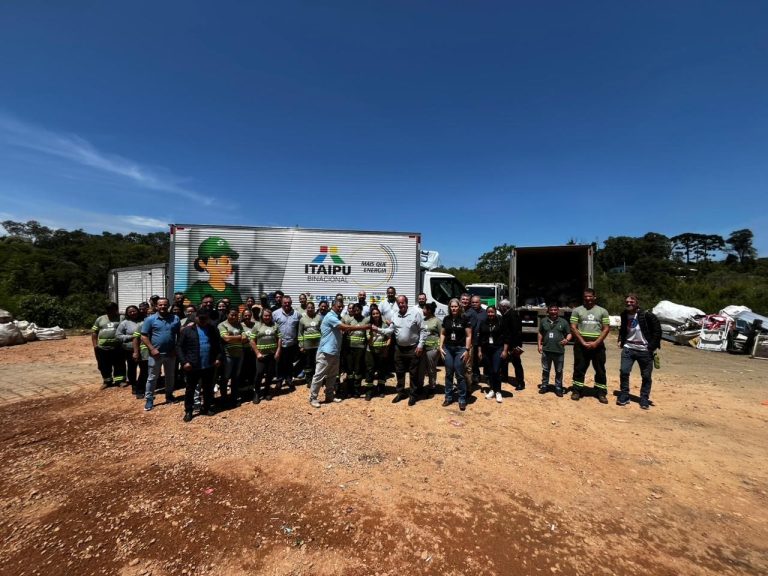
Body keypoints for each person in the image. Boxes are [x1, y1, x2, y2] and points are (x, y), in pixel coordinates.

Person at [308, 299, 371, 408]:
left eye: (342, 307)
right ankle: (313, 398)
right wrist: (364, 327)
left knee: (332, 376)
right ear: (333, 306)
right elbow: (344, 327)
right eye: (338, 306)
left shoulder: (336, 317)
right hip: (325, 352)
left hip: (335, 351)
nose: (340, 308)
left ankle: (329, 396)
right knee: (319, 375)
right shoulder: (330, 317)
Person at [376, 295, 428, 407]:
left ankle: (413, 395)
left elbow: (423, 330)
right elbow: (390, 330)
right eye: (399, 303)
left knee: (413, 373)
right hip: (399, 349)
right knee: (399, 372)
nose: (401, 305)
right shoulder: (396, 315)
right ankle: (401, 392)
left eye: (403, 303)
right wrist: (378, 330)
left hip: (413, 348)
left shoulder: (415, 314)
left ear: (406, 303)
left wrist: (420, 345)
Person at [177, 309, 224, 422]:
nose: (202, 320)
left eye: (205, 318)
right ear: (196, 318)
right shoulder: (187, 330)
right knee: (190, 390)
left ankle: (206, 407)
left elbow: (219, 345)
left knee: (208, 389)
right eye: (200, 318)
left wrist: (218, 358)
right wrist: (184, 362)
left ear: (208, 318)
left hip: (209, 365)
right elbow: (179, 347)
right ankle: (189, 410)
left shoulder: (213, 330)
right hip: (192, 366)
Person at [617, 294, 661, 410]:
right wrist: (620, 340)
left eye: (632, 302)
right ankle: (624, 395)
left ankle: (644, 398)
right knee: (624, 371)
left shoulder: (647, 315)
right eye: (627, 302)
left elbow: (657, 330)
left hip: (644, 350)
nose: (629, 303)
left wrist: (651, 346)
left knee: (646, 376)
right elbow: (623, 328)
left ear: (637, 303)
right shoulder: (624, 315)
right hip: (629, 348)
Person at [570, 288, 611, 403]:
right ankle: (577, 390)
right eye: (585, 296)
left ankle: (601, 392)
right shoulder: (577, 310)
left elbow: (606, 328)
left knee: (600, 369)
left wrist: (596, 343)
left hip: (597, 346)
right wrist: (582, 342)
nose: (588, 298)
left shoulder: (602, 311)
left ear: (594, 297)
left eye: (590, 296)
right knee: (579, 368)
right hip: (581, 345)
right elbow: (573, 327)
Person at [140, 297, 180, 411]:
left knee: (170, 376)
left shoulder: (175, 318)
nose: (163, 307)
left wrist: (176, 348)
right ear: (156, 306)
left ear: (168, 306)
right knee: (152, 377)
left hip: (170, 353)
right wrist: (152, 349)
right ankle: (149, 399)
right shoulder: (150, 319)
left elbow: (179, 335)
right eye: (160, 305)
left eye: (165, 305)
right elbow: (143, 336)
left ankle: (169, 396)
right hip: (155, 354)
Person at [183, 236, 244, 308]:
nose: (224, 266)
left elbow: (241, 310)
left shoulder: (232, 289)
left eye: (227, 261)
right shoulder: (198, 288)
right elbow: (186, 308)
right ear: (202, 263)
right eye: (218, 261)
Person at [439, 298, 472, 411]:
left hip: (460, 349)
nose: (453, 308)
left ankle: (462, 399)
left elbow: (468, 335)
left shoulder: (464, 318)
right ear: (449, 308)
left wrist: (467, 350)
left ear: (459, 307)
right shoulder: (446, 319)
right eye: (452, 306)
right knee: (449, 373)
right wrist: (440, 346)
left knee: (459, 374)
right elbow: (443, 333)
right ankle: (448, 397)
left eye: (455, 306)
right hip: (448, 349)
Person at [537, 304, 571, 397]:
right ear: (548, 311)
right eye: (551, 310)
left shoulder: (563, 322)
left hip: (559, 351)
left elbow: (569, 333)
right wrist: (539, 344)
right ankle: (544, 385)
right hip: (546, 350)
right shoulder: (544, 321)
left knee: (559, 370)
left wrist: (567, 340)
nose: (553, 312)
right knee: (545, 369)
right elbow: (540, 333)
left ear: (558, 311)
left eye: (555, 310)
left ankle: (558, 387)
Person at [249, 308, 281, 403]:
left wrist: (278, 351)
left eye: (269, 316)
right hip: (261, 355)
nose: (267, 317)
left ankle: (267, 391)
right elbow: (251, 340)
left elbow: (279, 338)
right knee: (259, 373)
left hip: (272, 354)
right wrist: (257, 353)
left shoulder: (275, 325)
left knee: (270, 374)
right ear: (262, 316)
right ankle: (257, 392)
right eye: (265, 315)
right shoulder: (257, 326)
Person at [91, 302, 125, 389]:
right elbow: (94, 332)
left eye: (112, 309)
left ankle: (119, 381)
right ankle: (107, 381)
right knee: (103, 365)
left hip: (117, 346)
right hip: (102, 348)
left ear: (116, 309)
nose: (110, 311)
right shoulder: (100, 319)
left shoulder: (122, 318)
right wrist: (95, 345)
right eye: (108, 310)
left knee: (119, 364)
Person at [479, 306, 508, 403]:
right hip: (486, 349)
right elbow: (480, 338)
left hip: (498, 348)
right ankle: (492, 389)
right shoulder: (483, 322)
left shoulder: (500, 322)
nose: (490, 314)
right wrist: (479, 351)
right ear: (486, 313)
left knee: (496, 370)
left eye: (492, 312)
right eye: (489, 312)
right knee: (490, 371)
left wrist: (505, 350)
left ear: (495, 312)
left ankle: (498, 391)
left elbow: (506, 337)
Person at [218, 308, 247, 406]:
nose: (234, 317)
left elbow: (245, 338)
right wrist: (238, 338)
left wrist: (232, 337)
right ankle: (224, 398)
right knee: (225, 377)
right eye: (232, 314)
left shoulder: (239, 325)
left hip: (239, 354)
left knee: (236, 377)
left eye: (236, 315)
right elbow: (226, 338)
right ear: (227, 314)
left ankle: (234, 397)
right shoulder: (222, 325)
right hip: (228, 355)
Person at [272, 295, 301, 392]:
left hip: (292, 344)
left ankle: (289, 379)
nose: (287, 304)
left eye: (288, 302)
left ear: (291, 303)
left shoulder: (297, 314)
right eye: (285, 303)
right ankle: (279, 380)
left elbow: (300, 328)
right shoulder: (275, 314)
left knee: (289, 363)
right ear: (281, 303)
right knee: (279, 363)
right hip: (279, 344)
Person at [341, 302, 370, 399]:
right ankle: (350, 390)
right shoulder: (349, 320)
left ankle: (357, 390)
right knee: (349, 370)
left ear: (361, 310)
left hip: (360, 349)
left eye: (358, 310)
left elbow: (367, 334)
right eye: (354, 310)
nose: (356, 312)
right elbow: (344, 333)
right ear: (352, 311)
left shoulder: (365, 320)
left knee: (358, 370)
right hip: (349, 348)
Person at [499, 299, 526, 391]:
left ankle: (520, 383)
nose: (499, 307)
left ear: (504, 306)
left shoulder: (513, 314)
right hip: (506, 342)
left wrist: (515, 345)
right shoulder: (506, 314)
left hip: (513, 343)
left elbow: (516, 331)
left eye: (500, 306)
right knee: (504, 361)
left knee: (516, 363)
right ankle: (504, 377)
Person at [364, 307, 390, 400]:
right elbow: (369, 341)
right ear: (371, 315)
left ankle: (381, 389)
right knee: (370, 371)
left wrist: (386, 349)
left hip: (382, 351)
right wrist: (371, 332)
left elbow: (389, 337)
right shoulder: (368, 326)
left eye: (377, 313)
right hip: (370, 351)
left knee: (381, 370)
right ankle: (369, 391)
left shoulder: (384, 325)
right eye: (373, 314)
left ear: (380, 315)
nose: (375, 315)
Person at [116, 305, 142, 395]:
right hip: (129, 349)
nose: (132, 313)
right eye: (130, 312)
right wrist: (131, 337)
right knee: (132, 368)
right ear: (127, 313)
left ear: (137, 311)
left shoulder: (143, 321)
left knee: (144, 367)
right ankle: (134, 385)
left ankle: (142, 384)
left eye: (134, 311)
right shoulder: (124, 323)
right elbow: (118, 335)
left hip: (143, 349)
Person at [298, 302, 322, 388]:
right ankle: (309, 380)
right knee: (308, 364)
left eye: (312, 307)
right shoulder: (302, 319)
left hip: (318, 345)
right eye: (309, 308)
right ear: (306, 309)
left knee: (317, 363)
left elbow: (322, 331)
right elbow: (300, 333)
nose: (310, 309)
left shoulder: (319, 318)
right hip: (307, 346)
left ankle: (317, 380)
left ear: (314, 308)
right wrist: (301, 345)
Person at [420, 302, 441, 395]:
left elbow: (442, 335)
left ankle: (432, 386)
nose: (423, 310)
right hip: (423, 348)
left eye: (424, 309)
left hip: (433, 348)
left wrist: (439, 348)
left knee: (431, 369)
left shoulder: (437, 321)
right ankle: (420, 386)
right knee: (422, 369)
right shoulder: (422, 320)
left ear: (429, 310)